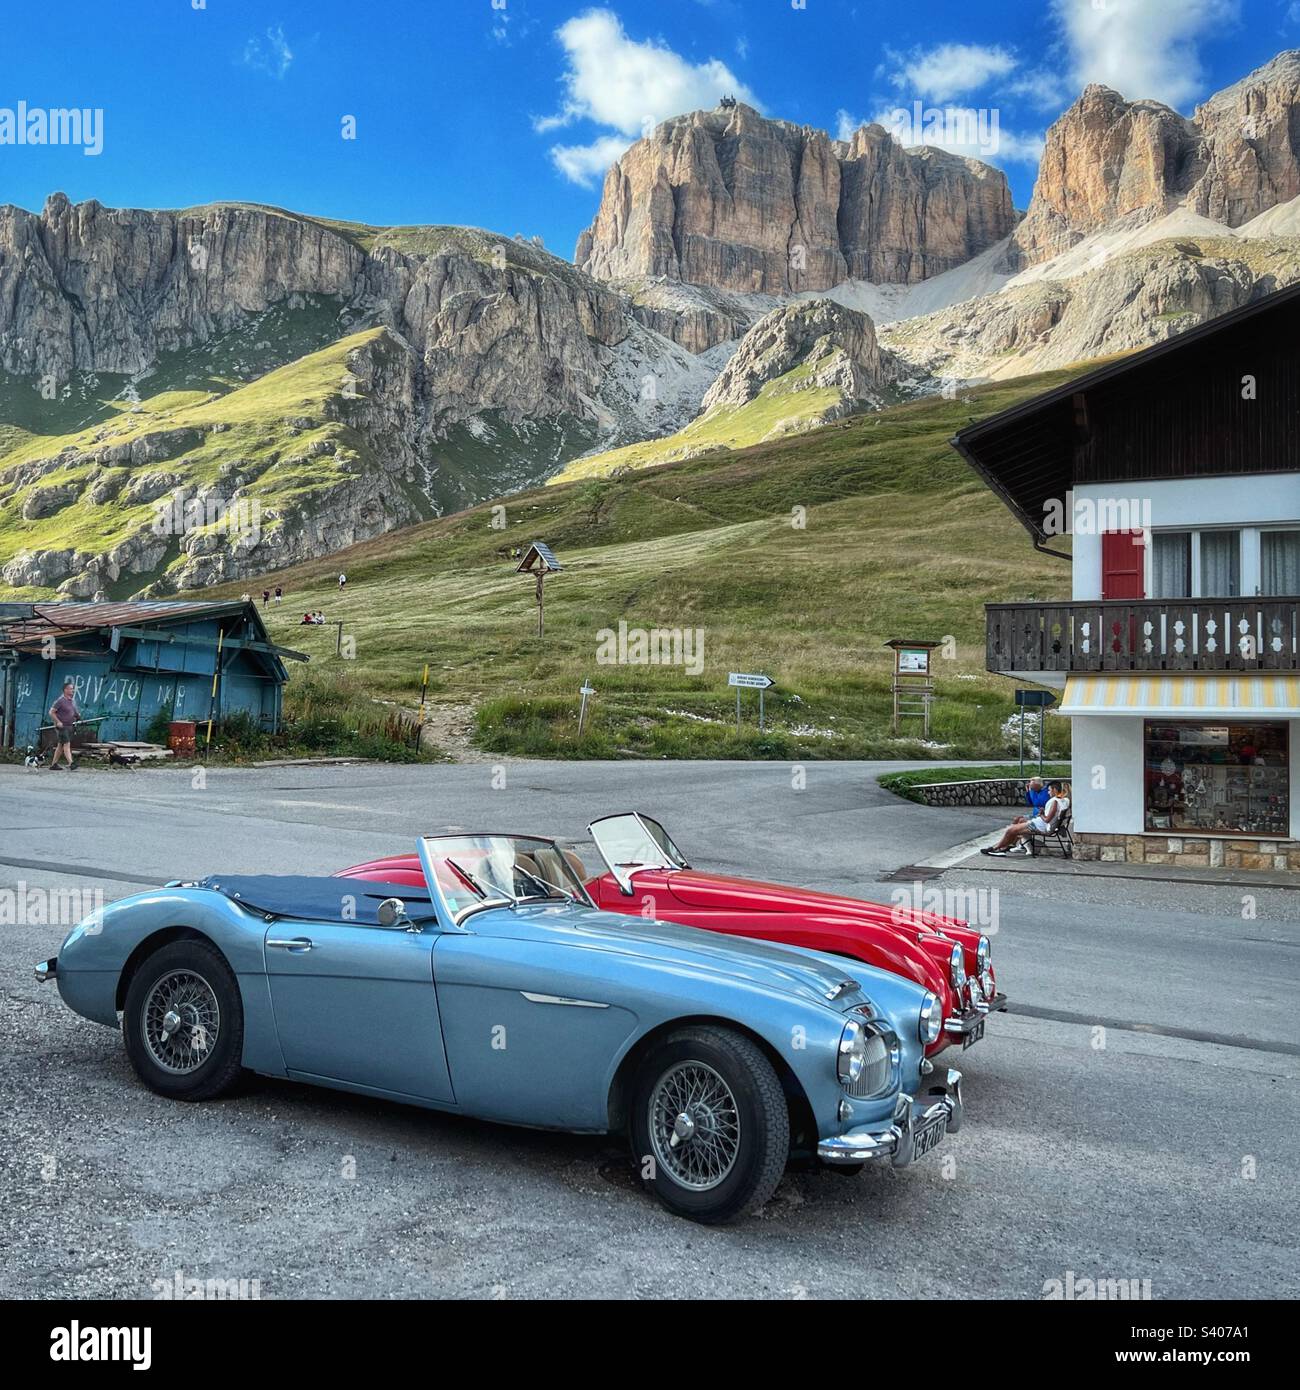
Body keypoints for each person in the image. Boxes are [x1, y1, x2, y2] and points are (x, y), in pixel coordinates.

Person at [982, 780, 1071, 856]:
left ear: (1054, 790)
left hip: (1039, 826)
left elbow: (1047, 819)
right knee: (1017, 826)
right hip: (1041, 825)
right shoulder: (1065, 800)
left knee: (1011, 830)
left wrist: (1041, 814)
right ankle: (1005, 847)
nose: (1048, 792)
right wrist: (1043, 813)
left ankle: (996, 848)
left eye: (1049, 790)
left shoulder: (1055, 801)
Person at [48, 679, 81, 771]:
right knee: (67, 744)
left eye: (73, 689)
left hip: (70, 726)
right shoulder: (60, 701)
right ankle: (71, 763)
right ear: (65, 690)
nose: (72, 690)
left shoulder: (72, 701)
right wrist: (58, 721)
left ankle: (54, 764)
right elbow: (51, 712)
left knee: (60, 746)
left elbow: (73, 712)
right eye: (70, 689)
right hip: (62, 727)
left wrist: (77, 716)